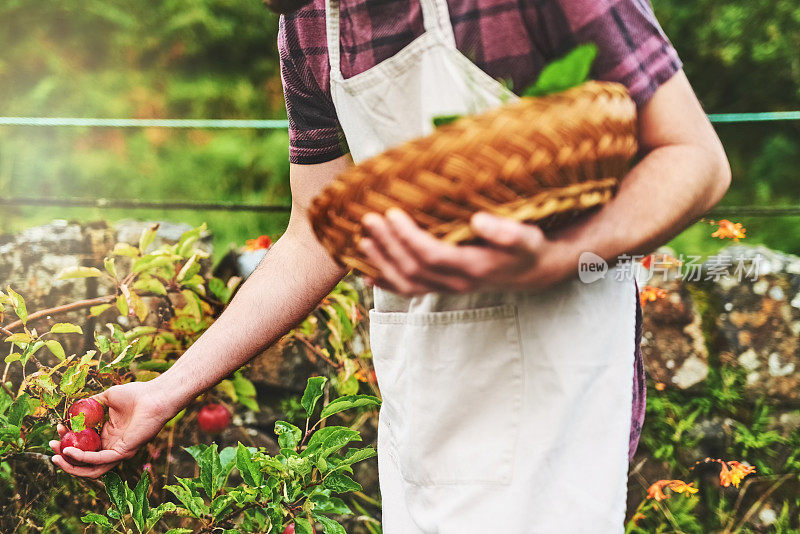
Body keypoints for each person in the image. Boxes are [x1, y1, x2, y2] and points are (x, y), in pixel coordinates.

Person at [51, 0, 731, 531]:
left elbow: (694, 158)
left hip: (557, 366)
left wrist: (555, 256)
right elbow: (315, 235)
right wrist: (167, 391)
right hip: (427, 386)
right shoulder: (310, 27)